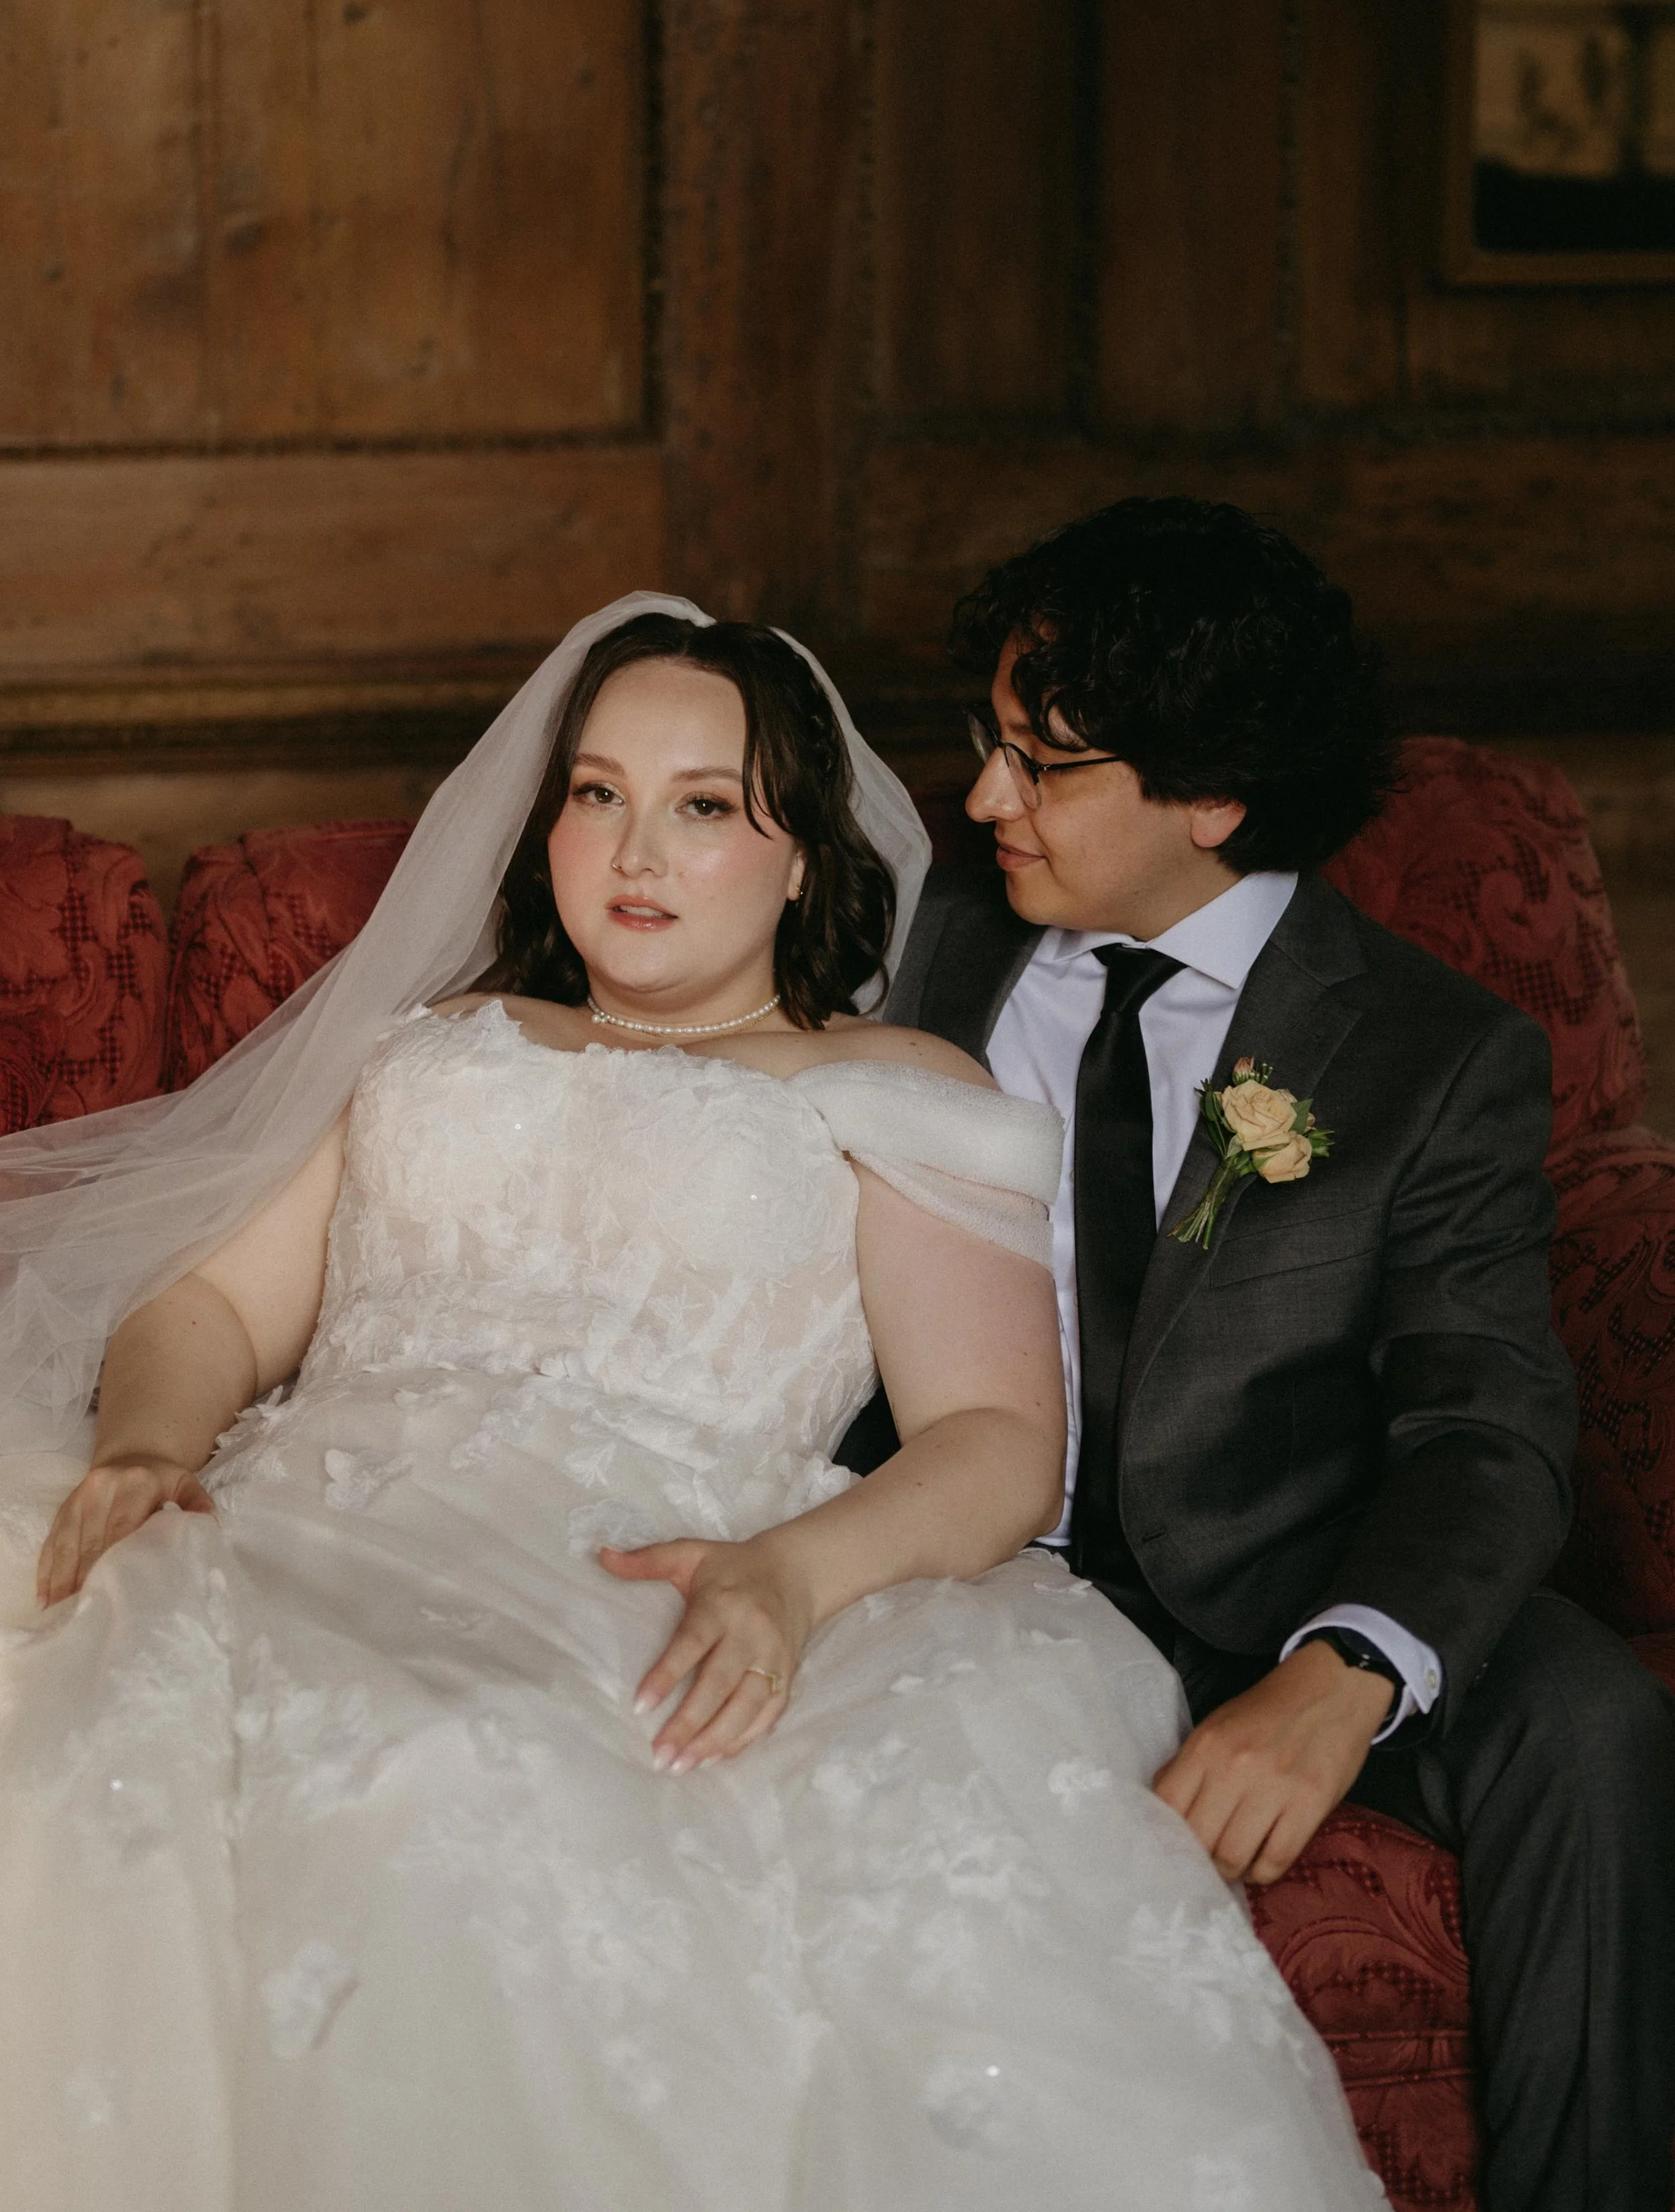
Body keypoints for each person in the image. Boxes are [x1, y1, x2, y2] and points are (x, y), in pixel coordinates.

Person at [0, 594, 1376, 2211]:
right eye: (596, 794)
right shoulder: (432, 1042)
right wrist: (154, 1444)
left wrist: (791, 1578)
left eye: (703, 807)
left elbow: (996, 1442)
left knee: (466, 1763)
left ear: (804, 857)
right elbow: (216, 1300)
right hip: (317, 1516)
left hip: (668, 1566)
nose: (634, 852)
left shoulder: (895, 1088)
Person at [850, 498, 1675, 2212]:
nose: (986, 797)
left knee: (1588, 1724)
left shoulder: (1435, 1058)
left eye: (1046, 765)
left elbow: (1485, 1418)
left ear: (1213, 800)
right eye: (986, 745)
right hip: (960, 1552)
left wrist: (1346, 1668)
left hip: (1290, 1563)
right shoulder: (914, 921)